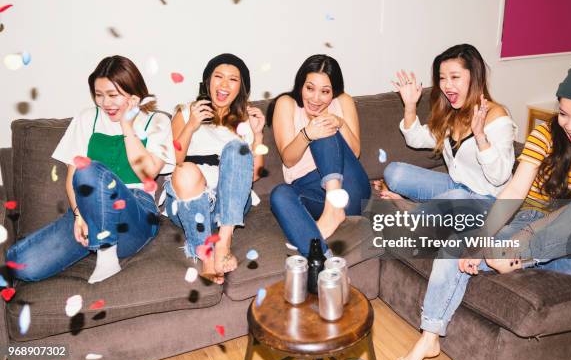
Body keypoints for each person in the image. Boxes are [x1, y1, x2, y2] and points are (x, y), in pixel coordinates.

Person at [396, 53, 571, 360]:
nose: (569, 125)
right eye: (564, 114)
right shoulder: (548, 135)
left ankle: (513, 256)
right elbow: (514, 190)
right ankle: (429, 338)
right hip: (525, 224)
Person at [7, 55, 174, 284]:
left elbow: (147, 174)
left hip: (134, 216)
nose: (106, 103)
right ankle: (100, 238)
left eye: (113, 95)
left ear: (134, 94)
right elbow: (71, 178)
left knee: (90, 169)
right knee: (19, 262)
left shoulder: (156, 122)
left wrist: (127, 124)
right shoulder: (87, 119)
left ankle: (106, 254)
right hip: (87, 210)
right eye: (99, 95)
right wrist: (78, 216)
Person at [164, 53, 265, 284]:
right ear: (207, 81)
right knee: (186, 170)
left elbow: (255, 174)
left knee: (236, 148)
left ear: (241, 88)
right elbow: (173, 159)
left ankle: (223, 241)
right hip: (189, 200)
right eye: (218, 77)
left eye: (233, 79)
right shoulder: (186, 111)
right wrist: (191, 125)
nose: (223, 84)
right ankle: (206, 257)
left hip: (229, 202)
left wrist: (258, 134)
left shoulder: (246, 119)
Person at [379, 44, 517, 202]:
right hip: (455, 187)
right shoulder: (450, 114)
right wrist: (410, 106)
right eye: (442, 78)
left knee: (456, 198)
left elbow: (499, 178)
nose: (447, 85)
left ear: (475, 77)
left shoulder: (497, 116)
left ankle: (405, 205)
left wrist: (480, 137)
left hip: (488, 199)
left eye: (455, 77)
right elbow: (415, 139)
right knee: (394, 172)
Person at [269, 54, 371, 256]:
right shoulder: (286, 103)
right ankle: (324, 263)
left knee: (324, 124)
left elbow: (355, 151)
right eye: (310, 88)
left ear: (334, 91)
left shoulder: (343, 101)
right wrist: (307, 134)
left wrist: (338, 123)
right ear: (301, 85)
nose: (315, 98)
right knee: (279, 194)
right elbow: (288, 159)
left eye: (325, 91)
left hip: (350, 189)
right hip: (310, 191)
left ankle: (334, 207)